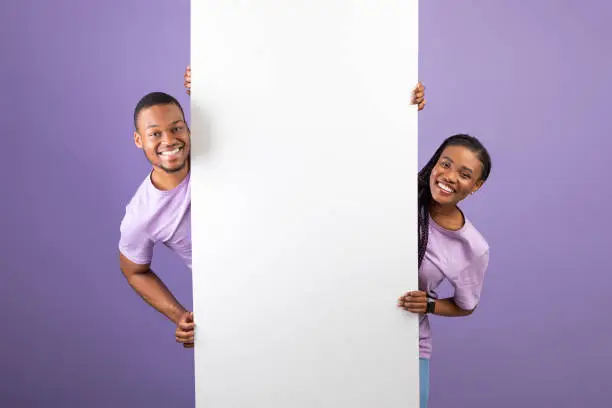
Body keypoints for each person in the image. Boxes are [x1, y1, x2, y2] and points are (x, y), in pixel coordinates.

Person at [118, 67, 426, 349]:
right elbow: (134, 270)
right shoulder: (141, 213)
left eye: (176, 128)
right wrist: (179, 315)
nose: (169, 140)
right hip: (238, 304)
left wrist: (397, 99)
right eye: (155, 133)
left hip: (301, 264)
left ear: (189, 128)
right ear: (138, 140)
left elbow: (287, 111)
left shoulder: (222, 151)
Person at [397, 134, 492, 408]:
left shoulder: (472, 247)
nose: (449, 176)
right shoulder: (401, 197)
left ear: (476, 185)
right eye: (445, 164)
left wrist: (428, 304)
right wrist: (406, 98)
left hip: (407, 343)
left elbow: (466, 306)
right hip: (351, 322)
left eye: (464, 174)